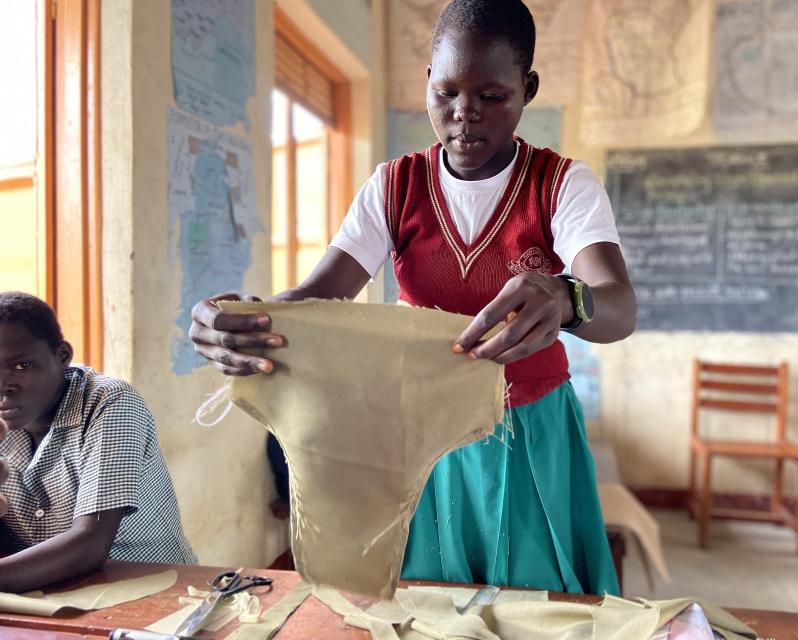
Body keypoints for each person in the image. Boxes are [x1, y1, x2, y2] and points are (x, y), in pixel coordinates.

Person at [190, 0, 635, 595]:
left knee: (537, 600)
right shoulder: (395, 187)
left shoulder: (560, 185)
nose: (464, 115)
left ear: (527, 89)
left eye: (492, 96)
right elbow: (317, 303)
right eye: (446, 92)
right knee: (425, 596)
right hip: (418, 429)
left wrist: (567, 297)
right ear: (427, 82)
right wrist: (242, 321)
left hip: (528, 427)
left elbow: (619, 307)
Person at [0, 292, 196, 592]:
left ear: (62, 356)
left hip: (151, 588)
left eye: (22, 365)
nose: (4, 386)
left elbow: (90, 544)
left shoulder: (110, 402)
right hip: (44, 593)